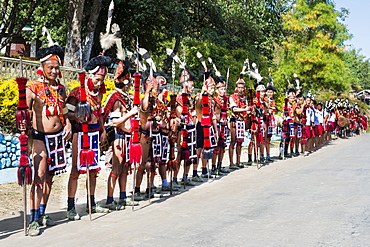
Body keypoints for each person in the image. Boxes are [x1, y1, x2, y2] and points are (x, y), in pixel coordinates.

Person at [26, 45, 72, 236]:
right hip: (39, 137)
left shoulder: (61, 89)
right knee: (40, 175)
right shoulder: (32, 88)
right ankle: (33, 219)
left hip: (58, 137)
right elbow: (23, 114)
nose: (54, 71)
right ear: (42, 67)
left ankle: (43, 212)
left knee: (50, 177)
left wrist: (68, 123)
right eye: (50, 67)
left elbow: (64, 111)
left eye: (56, 68)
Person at [66, 55, 111, 220]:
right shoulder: (77, 92)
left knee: (93, 171)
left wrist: (103, 129)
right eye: (98, 79)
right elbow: (65, 111)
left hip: (94, 133)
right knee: (76, 171)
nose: (100, 83)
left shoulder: (99, 94)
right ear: (91, 76)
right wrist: (75, 118)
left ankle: (91, 202)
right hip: (81, 133)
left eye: (103, 79)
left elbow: (99, 113)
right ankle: (71, 206)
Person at [102, 59, 139, 209]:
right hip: (117, 136)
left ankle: (123, 197)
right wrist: (130, 113)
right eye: (128, 81)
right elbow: (115, 122)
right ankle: (110, 200)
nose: (130, 84)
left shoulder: (125, 97)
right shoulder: (115, 98)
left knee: (125, 168)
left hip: (127, 137)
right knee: (116, 169)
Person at [210, 76, 230, 175]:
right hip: (216, 125)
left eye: (224, 89)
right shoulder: (214, 100)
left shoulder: (226, 100)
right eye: (221, 89)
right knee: (216, 146)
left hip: (224, 125)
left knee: (223, 146)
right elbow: (212, 113)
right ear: (217, 90)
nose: (223, 91)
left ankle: (219, 165)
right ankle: (213, 167)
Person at [229, 78, 250, 168]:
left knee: (240, 142)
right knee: (233, 141)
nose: (240, 89)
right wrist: (245, 109)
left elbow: (247, 108)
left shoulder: (244, 98)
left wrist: (249, 111)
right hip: (234, 120)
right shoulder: (232, 97)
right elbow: (234, 109)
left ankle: (238, 161)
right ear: (236, 87)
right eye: (239, 87)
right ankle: (231, 163)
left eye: (242, 87)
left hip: (242, 121)